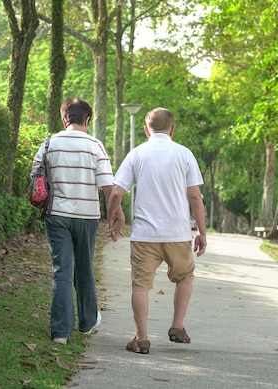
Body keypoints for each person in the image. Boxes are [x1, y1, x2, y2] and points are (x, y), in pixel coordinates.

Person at [107, 107, 207, 355]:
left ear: (146, 129)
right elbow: (195, 195)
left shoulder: (137, 154)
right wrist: (202, 231)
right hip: (178, 234)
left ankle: (141, 339)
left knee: (140, 285)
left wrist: (112, 218)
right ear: (172, 129)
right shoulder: (184, 154)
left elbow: (117, 192)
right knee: (185, 277)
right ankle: (178, 326)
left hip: (144, 236)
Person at [31, 97, 124, 345]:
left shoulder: (49, 143)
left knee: (61, 270)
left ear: (64, 119)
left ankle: (60, 332)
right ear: (88, 120)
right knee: (84, 267)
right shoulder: (95, 145)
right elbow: (108, 187)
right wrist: (116, 213)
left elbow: (35, 177)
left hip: (56, 215)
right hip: (86, 217)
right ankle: (87, 322)